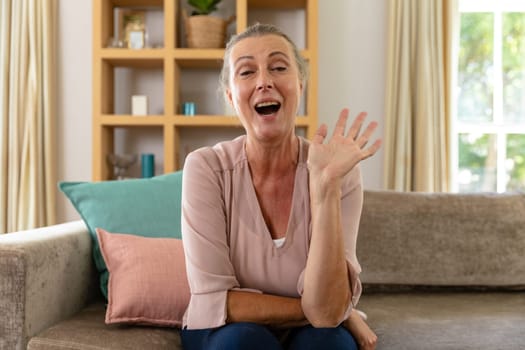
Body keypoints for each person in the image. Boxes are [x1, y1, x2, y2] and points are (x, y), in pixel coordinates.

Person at [180, 23, 381, 350]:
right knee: (244, 341)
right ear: (232, 97)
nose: (264, 81)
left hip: (312, 332)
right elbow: (220, 302)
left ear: (300, 86)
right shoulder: (207, 168)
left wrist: (325, 189)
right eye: (246, 72)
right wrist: (337, 312)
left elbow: (327, 310)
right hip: (225, 329)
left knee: (328, 345)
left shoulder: (335, 170)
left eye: (278, 67)